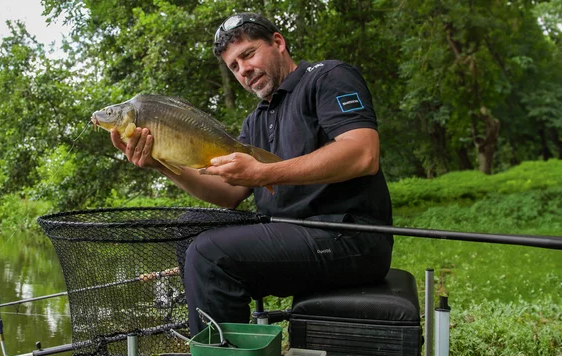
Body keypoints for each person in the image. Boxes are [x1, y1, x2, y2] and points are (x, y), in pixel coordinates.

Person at [108, 12, 393, 335]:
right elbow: (228, 193)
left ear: (278, 42)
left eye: (248, 55)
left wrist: (263, 173)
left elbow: (362, 153)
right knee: (191, 228)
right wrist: (159, 163)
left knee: (209, 254)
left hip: (350, 237)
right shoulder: (255, 121)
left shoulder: (327, 77)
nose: (243, 70)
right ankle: (227, 349)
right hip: (288, 236)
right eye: (234, 66)